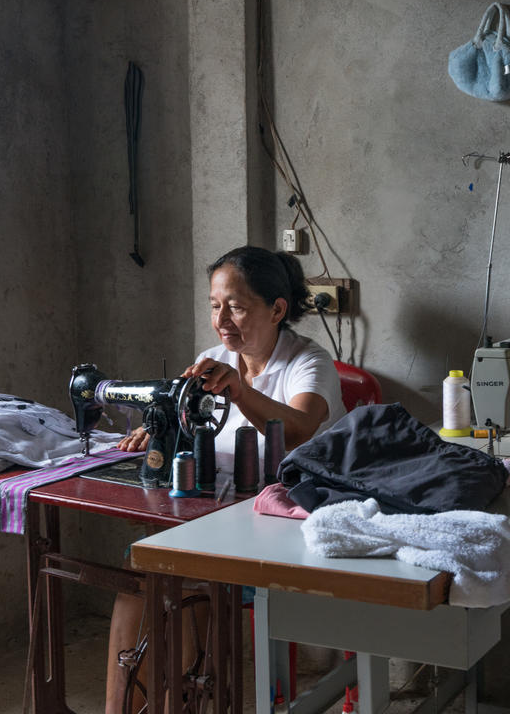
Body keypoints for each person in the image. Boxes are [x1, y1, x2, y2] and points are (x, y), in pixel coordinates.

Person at [104, 245, 347, 713]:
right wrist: (156, 426)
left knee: (187, 580)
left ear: (277, 309)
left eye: (236, 306)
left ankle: (192, 701)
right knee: (139, 570)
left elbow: (296, 428)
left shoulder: (309, 365)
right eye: (215, 306)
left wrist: (238, 390)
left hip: (286, 530)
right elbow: (182, 422)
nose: (222, 319)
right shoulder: (212, 358)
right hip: (219, 517)